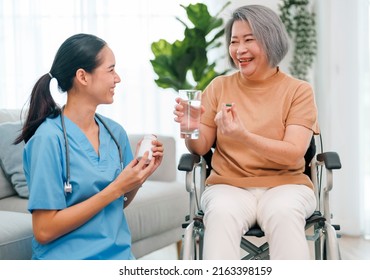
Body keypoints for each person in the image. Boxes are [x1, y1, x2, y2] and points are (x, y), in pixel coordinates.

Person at [173, 5, 319, 260]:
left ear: (271, 41)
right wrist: (191, 129)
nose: (239, 50)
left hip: (287, 185)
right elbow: (200, 148)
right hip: (229, 185)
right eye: (234, 41)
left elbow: (294, 154)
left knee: (284, 213)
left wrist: (244, 137)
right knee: (220, 214)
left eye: (249, 40)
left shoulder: (298, 91)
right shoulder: (219, 87)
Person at [15, 33, 164, 260]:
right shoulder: (48, 140)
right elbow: (44, 230)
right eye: (111, 70)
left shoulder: (115, 133)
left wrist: (136, 179)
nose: (118, 78)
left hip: (119, 257)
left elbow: (117, 203)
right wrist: (116, 188)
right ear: (83, 77)